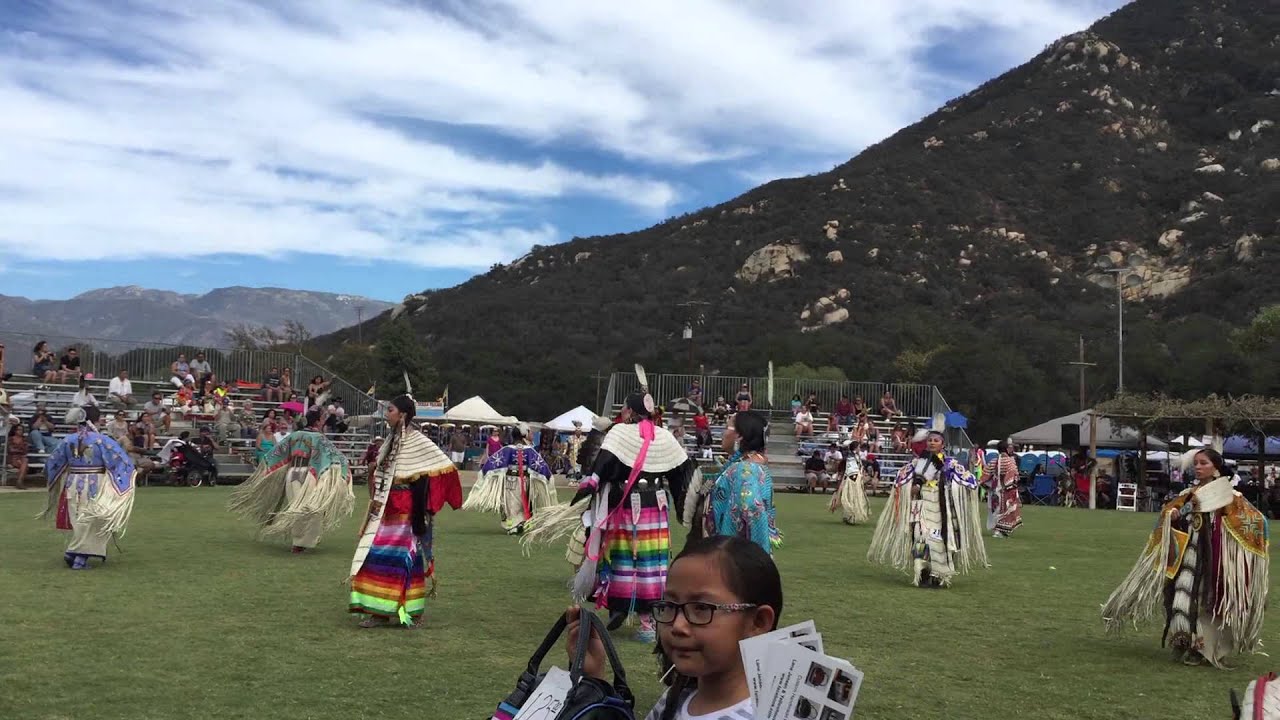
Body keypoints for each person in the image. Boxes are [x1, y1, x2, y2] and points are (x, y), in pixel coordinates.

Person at [524, 387, 696, 642]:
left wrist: (592, 482)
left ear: (631, 411)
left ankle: (636, 614)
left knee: (627, 557)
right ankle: (633, 611)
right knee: (650, 562)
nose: (622, 412)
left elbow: (600, 466)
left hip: (627, 506)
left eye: (625, 407)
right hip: (656, 506)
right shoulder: (664, 437)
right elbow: (683, 472)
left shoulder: (620, 433)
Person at [564, 535, 783, 720]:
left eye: (701, 608)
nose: (678, 625)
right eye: (669, 605)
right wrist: (594, 677)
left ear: (758, 622)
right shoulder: (675, 699)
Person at [1102, 448, 1269, 669]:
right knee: (1182, 597)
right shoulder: (1188, 494)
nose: (1198, 467)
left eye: (1203, 463)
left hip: (1215, 560)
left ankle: (1205, 649)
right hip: (1188, 555)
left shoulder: (1231, 497)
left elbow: (1257, 521)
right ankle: (1183, 641)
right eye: (1196, 463)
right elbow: (1169, 513)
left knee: (1208, 601)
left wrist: (1222, 524)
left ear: (1216, 467)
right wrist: (1172, 515)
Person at [349, 395, 462, 628]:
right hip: (387, 509)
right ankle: (379, 611)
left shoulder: (417, 442)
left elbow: (426, 477)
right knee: (378, 557)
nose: (386, 413)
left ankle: (409, 612)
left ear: (402, 414)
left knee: (405, 559)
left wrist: (420, 516)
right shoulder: (391, 441)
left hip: (406, 511)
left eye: (389, 410)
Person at [868, 428, 987, 588]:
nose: (932, 442)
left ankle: (938, 573)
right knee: (920, 537)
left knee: (938, 539)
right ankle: (923, 571)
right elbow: (900, 480)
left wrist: (954, 487)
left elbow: (970, 481)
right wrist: (910, 488)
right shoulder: (917, 462)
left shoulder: (950, 464)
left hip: (941, 509)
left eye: (936, 440)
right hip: (921, 505)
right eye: (930, 440)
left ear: (943, 444)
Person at [229, 410, 355, 554]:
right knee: (311, 508)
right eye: (321, 420)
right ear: (316, 422)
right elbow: (335, 457)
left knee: (297, 506)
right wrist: (344, 466)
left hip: (292, 474)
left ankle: (298, 542)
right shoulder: (319, 438)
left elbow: (275, 453)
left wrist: (265, 464)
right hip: (308, 477)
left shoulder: (294, 436)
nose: (322, 422)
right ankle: (304, 542)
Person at [39, 421, 137, 569]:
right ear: (95, 421)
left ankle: (74, 552)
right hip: (96, 483)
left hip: (72, 483)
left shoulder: (68, 439)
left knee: (79, 518)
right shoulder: (102, 440)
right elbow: (121, 461)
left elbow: (52, 462)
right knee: (94, 519)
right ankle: (78, 556)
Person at [685, 410, 780, 555]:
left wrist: (747, 554)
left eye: (727, 428)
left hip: (733, 559)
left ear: (740, 436)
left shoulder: (745, 469)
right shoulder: (750, 465)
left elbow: (752, 508)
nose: (723, 433)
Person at [464, 424, 557, 535]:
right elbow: (542, 467)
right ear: (524, 434)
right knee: (523, 503)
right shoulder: (530, 451)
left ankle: (514, 525)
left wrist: (484, 473)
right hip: (525, 482)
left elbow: (492, 463)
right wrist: (548, 477)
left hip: (511, 481)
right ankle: (519, 524)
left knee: (512, 504)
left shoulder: (506, 450)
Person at [985, 441, 1023, 538]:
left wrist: (988, 486)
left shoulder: (994, 461)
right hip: (1007, 490)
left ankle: (999, 530)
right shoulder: (1011, 461)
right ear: (1006, 449)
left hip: (996, 490)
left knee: (996, 510)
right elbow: (1015, 476)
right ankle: (1000, 530)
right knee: (1005, 510)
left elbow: (985, 475)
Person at [829, 447, 871, 525]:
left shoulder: (855, 462)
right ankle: (848, 516)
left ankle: (851, 517)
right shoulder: (844, 463)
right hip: (847, 483)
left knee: (851, 499)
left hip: (853, 483)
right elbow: (840, 474)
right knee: (847, 499)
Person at [7, 425, 29, 489]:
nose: (20, 431)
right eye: (19, 430)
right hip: (12, 458)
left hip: (21, 458)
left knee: (25, 461)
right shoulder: (10, 439)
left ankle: (19, 482)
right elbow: (10, 450)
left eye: (21, 430)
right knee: (25, 464)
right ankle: (20, 482)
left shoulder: (24, 439)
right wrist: (19, 450)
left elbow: (25, 450)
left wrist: (17, 450)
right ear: (15, 431)